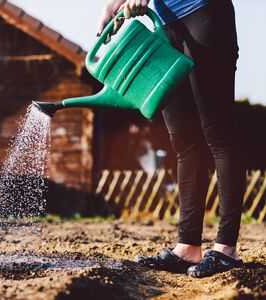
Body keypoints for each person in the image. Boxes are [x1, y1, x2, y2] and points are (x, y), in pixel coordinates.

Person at [97, 0, 245, 278]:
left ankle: (226, 249)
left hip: (205, 14)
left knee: (218, 135)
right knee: (184, 142)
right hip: (165, 24)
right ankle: (187, 248)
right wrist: (112, 5)